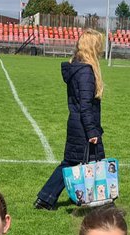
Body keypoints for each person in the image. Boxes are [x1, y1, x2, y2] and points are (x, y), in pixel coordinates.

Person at [34, 30, 106, 210]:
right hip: (82, 125)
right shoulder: (85, 71)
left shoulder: (77, 67)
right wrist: (91, 131)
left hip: (77, 123)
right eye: (99, 45)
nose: (101, 49)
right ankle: (99, 200)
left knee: (75, 161)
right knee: (88, 161)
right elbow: (85, 105)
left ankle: (47, 198)